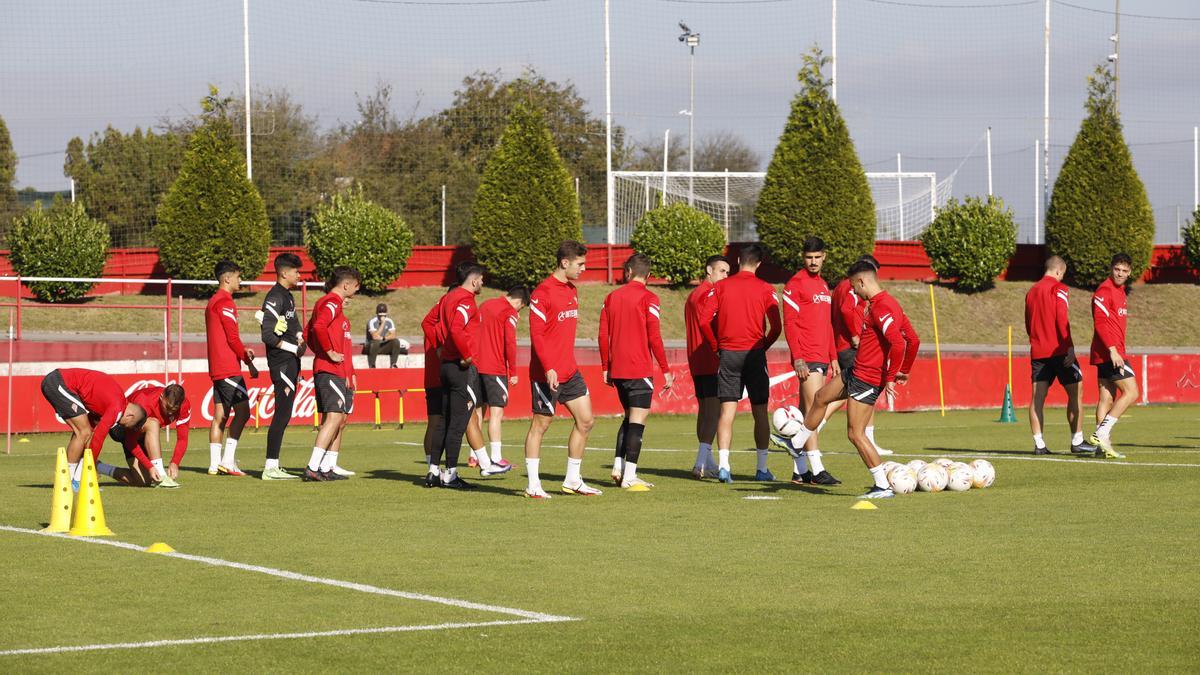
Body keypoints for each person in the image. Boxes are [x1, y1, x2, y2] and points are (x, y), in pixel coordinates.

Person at [785, 261, 920, 498]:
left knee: (855, 434)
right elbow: (914, 339)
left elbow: (900, 343)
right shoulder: (885, 303)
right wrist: (905, 370)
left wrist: (891, 377)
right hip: (855, 371)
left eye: (854, 287)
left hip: (867, 378)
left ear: (861, 281)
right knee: (820, 397)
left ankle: (882, 486)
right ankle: (797, 443)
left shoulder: (883, 307)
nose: (855, 292)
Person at [698, 243, 782, 484]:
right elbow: (776, 326)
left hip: (728, 354)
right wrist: (763, 346)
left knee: (727, 412)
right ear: (759, 264)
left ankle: (724, 467)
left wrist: (716, 346)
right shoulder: (766, 288)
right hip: (754, 354)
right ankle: (762, 468)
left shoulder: (720, 287)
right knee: (760, 412)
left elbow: (704, 321)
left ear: (737, 262)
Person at [524, 240, 600, 498]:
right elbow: (537, 335)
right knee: (541, 425)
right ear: (564, 263)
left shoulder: (572, 290)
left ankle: (573, 480)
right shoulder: (542, 293)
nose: (584, 268)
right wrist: (549, 368)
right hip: (546, 373)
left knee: (586, 421)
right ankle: (533, 485)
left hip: (570, 371)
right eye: (580, 264)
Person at [599, 253, 674, 490]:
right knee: (638, 421)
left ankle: (618, 466)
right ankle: (630, 477)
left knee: (628, 417)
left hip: (618, 370)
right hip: (639, 369)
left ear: (628, 272)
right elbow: (654, 336)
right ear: (648, 275)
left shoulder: (611, 297)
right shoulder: (649, 298)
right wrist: (666, 369)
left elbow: (602, 334)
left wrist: (605, 366)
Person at [427, 262, 505, 489]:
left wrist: (439, 347)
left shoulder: (446, 298)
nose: (483, 282)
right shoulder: (465, 300)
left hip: (445, 366)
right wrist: (466, 354)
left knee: (443, 421)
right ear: (473, 280)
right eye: (481, 279)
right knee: (458, 422)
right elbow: (456, 328)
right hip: (459, 367)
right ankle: (450, 475)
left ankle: (433, 471)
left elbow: (428, 322)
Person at [779, 237, 841, 486]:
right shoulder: (795, 285)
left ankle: (799, 471)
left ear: (824, 256)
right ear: (803, 257)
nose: (813, 262)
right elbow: (790, 324)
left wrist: (833, 356)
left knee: (806, 414)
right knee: (815, 410)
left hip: (823, 357)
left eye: (817, 257)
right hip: (807, 357)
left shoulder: (824, 285)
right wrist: (798, 358)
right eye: (809, 257)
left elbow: (828, 324)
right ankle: (817, 470)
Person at [1024, 255, 1094, 456]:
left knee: (1037, 398)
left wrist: (1037, 340)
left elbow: (1028, 323)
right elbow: (1062, 318)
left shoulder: (1031, 291)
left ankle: (1039, 444)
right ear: (1058, 271)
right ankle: (1077, 440)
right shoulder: (1059, 288)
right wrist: (1069, 346)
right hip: (1059, 350)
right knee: (1076, 391)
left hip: (1038, 352)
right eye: (1062, 274)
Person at [827, 254, 893, 459]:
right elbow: (846, 310)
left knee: (845, 394)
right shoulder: (851, 287)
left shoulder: (840, 287)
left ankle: (809, 429)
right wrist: (855, 335)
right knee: (862, 393)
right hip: (852, 347)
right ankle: (866, 440)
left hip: (843, 345)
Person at [39, 367, 147, 490]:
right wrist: (90, 466)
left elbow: (92, 432)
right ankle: (68, 481)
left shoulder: (114, 402)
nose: (121, 425)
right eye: (125, 425)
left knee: (84, 432)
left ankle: (76, 481)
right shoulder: (117, 408)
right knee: (83, 432)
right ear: (130, 416)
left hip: (59, 381)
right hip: (59, 382)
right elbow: (98, 439)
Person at [303, 266, 361, 481]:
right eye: (356, 286)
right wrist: (327, 352)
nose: (356, 290)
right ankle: (313, 466)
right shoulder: (331, 302)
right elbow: (318, 327)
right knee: (334, 417)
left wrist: (349, 371)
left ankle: (326, 467)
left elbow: (308, 333)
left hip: (336, 370)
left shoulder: (332, 305)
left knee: (338, 419)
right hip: (329, 369)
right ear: (346, 285)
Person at [205, 260, 257, 477]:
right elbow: (232, 337)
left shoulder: (212, 301)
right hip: (228, 367)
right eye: (238, 276)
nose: (240, 280)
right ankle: (227, 461)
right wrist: (248, 360)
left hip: (217, 367)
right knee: (243, 412)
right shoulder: (225, 302)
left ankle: (214, 464)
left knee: (221, 415)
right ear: (227, 278)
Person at [258, 252, 306, 480]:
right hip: (282, 362)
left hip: (291, 361)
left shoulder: (288, 296)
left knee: (285, 413)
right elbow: (267, 335)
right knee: (282, 413)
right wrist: (293, 348)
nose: (299, 275)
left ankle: (274, 465)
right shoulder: (275, 297)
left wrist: (300, 337)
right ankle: (270, 467)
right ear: (284, 273)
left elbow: (294, 323)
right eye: (296, 271)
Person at [1088, 253, 1137, 459]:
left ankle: (1102, 448)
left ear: (1129, 272)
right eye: (1117, 269)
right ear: (1111, 268)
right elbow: (1100, 322)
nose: (1120, 273)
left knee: (1106, 399)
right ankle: (1101, 433)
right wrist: (1113, 349)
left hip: (1108, 352)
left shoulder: (1121, 292)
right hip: (1110, 353)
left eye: (1124, 270)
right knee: (1132, 392)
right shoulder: (1104, 290)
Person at [684, 254, 729, 480]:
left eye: (728, 272)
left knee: (704, 412)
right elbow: (710, 323)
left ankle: (707, 461)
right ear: (709, 271)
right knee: (713, 412)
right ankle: (701, 462)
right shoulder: (710, 294)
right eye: (722, 271)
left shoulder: (693, 295)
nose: (726, 276)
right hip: (710, 358)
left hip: (696, 359)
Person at [476, 285, 529, 470]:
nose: (519, 312)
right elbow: (510, 343)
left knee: (478, 412)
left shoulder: (485, 304)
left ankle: (475, 456)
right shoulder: (509, 312)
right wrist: (513, 371)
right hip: (495, 367)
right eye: (521, 308)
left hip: (476, 366)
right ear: (519, 301)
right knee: (496, 413)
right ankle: (496, 458)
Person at [102, 384, 189, 488]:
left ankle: (99, 467)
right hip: (120, 428)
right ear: (161, 397)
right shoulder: (144, 402)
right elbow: (130, 441)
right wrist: (150, 466)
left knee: (143, 481)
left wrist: (175, 462)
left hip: (141, 432)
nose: (170, 413)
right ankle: (161, 475)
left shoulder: (184, 405)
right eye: (167, 408)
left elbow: (182, 439)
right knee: (153, 423)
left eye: (174, 410)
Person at [366, 303, 406, 368]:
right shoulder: (372, 322)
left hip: (382, 344)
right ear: (377, 313)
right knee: (375, 342)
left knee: (396, 341)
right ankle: (372, 365)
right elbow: (375, 336)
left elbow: (393, 335)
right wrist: (383, 323)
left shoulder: (389, 321)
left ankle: (393, 364)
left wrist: (384, 338)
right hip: (371, 346)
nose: (382, 316)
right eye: (380, 314)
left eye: (384, 314)